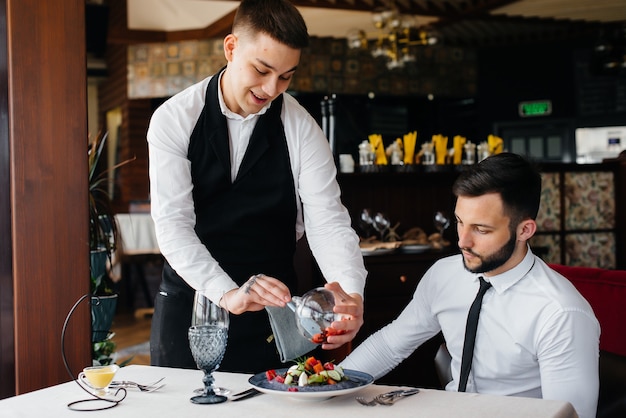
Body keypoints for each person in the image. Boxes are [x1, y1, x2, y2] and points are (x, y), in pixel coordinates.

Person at [147, 0, 366, 373]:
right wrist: (227, 293)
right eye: (262, 70)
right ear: (231, 48)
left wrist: (350, 295)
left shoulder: (302, 129)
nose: (271, 88)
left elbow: (328, 222)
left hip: (276, 316)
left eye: (286, 76)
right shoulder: (174, 119)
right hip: (193, 307)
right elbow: (173, 227)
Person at [341, 153, 600, 418]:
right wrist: (331, 384)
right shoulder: (444, 274)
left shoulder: (561, 313)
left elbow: (572, 415)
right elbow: (390, 345)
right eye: (460, 222)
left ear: (525, 230)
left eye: (481, 230)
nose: (463, 241)